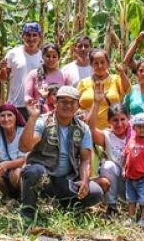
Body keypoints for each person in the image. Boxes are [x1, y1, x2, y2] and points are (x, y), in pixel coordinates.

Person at [18, 86, 104, 221]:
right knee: (33, 171)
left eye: (72, 102)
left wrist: (85, 181)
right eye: (64, 101)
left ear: (77, 105)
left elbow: (85, 160)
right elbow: (24, 147)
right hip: (44, 178)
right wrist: (32, 118)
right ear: (55, 103)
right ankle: (28, 213)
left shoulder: (83, 129)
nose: (68, 106)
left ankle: (65, 207)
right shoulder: (43, 121)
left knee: (95, 192)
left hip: (66, 179)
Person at [0, 103, 31, 198]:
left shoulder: (23, 131)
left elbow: (24, 160)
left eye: (9, 115)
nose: (6, 119)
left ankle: (24, 199)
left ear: (15, 117)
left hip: (21, 167)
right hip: (3, 168)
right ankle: (8, 196)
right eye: (2, 116)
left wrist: (7, 164)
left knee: (16, 172)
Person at [77, 49, 130, 129]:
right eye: (96, 63)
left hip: (112, 131)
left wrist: (122, 73)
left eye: (102, 62)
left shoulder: (116, 79)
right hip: (86, 129)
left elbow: (127, 89)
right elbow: (75, 103)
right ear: (91, 64)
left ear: (108, 63)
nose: (100, 66)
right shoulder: (83, 83)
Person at [0, 22, 43, 116]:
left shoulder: (43, 57)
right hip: (16, 105)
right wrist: (3, 69)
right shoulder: (13, 54)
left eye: (34, 35)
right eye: (28, 35)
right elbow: (2, 79)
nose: (31, 38)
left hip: (36, 105)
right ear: (23, 36)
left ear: (39, 37)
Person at [24, 43, 69, 112]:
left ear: (58, 58)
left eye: (54, 57)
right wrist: (30, 102)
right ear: (42, 56)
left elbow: (69, 97)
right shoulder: (33, 74)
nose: (51, 59)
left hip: (60, 117)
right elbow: (27, 96)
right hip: (39, 117)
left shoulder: (65, 76)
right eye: (48, 56)